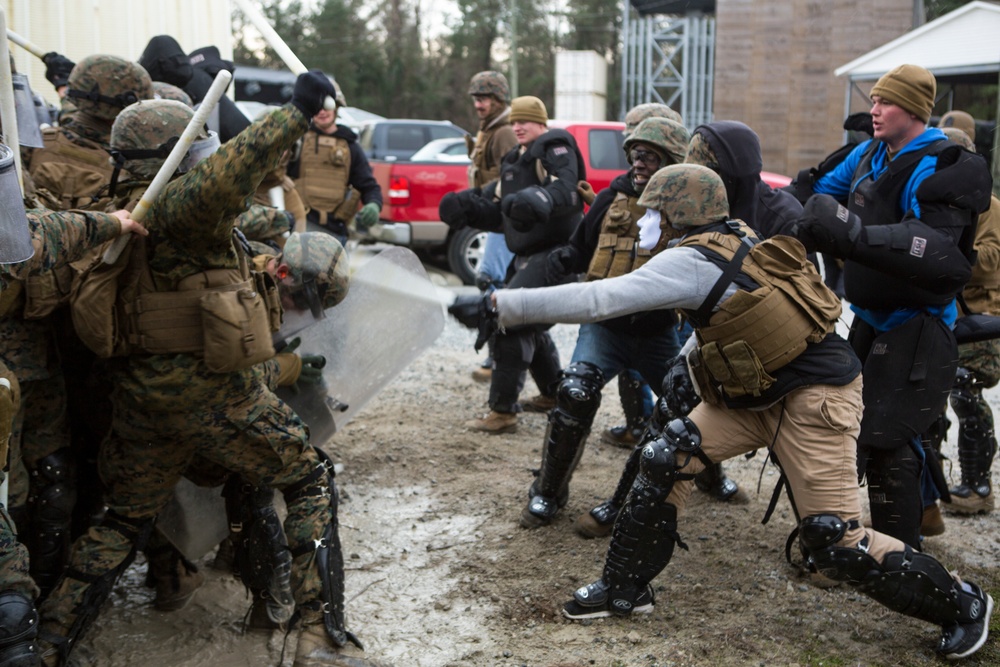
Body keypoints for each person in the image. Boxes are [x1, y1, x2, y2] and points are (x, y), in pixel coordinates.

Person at [491, 163, 994, 661]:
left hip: (813, 398)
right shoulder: (733, 236)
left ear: (679, 215)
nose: (644, 222)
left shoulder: (690, 260)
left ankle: (965, 604)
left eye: (655, 212)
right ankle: (623, 589)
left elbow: (599, 298)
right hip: (757, 393)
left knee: (835, 541)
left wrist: (502, 305)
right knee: (667, 457)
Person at [36, 73, 386, 667]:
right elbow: (228, 175)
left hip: (142, 402)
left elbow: (237, 214)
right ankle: (320, 637)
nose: (206, 160)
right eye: (197, 149)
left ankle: (44, 643)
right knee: (309, 477)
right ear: (176, 155)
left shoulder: (119, 212)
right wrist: (295, 112)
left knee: (122, 522)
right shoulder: (177, 208)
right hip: (210, 395)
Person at [791, 64, 992, 548]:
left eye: (886, 102)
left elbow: (935, 246)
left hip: (918, 323)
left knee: (887, 440)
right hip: (870, 315)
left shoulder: (937, 162)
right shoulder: (869, 153)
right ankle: (885, 525)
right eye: (875, 100)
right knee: (842, 424)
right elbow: (816, 195)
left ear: (915, 111)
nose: (874, 110)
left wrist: (854, 235)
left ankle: (898, 560)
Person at [510, 115, 688, 530]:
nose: (640, 163)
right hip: (605, 328)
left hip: (658, 332)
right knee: (574, 392)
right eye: (635, 154)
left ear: (672, 161)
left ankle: (712, 476)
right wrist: (553, 267)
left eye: (651, 156)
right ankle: (548, 493)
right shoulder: (613, 197)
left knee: (685, 404)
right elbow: (579, 247)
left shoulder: (687, 207)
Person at [440, 96, 585, 433]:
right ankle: (553, 393)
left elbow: (568, 190)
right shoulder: (515, 161)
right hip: (528, 256)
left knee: (508, 317)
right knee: (527, 320)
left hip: (556, 256)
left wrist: (542, 197)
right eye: (515, 121)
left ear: (541, 123)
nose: (518, 126)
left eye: (526, 121)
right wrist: (470, 211)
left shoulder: (554, 147)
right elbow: (504, 212)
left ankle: (503, 412)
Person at [934, 125, 1000, 516]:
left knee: (965, 389)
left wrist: (952, 249)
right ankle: (931, 480)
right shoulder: (931, 201)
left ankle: (978, 484)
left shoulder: (990, 208)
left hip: (982, 318)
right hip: (939, 314)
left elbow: (990, 260)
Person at [466, 71, 519, 384]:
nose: (478, 104)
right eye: (476, 98)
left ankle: (497, 355)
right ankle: (500, 353)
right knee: (497, 285)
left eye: (484, 98)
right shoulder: (489, 128)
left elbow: (511, 179)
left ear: (498, 99)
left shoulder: (503, 133)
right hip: (492, 218)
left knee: (493, 284)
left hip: (502, 221)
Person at [289, 76, 382, 248]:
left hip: (335, 233)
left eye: (326, 107)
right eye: (317, 107)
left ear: (336, 106)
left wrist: (374, 204)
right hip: (301, 229)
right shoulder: (298, 141)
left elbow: (368, 185)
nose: (322, 112)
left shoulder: (350, 146)